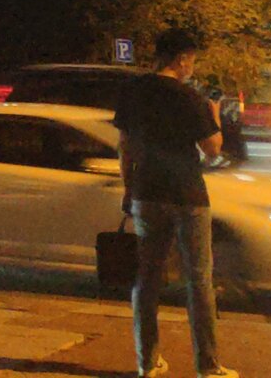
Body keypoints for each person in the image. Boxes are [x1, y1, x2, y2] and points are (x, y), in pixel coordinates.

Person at [113, 27, 235, 378]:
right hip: (187, 195)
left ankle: (148, 362)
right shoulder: (189, 97)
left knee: (147, 278)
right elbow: (212, 149)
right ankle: (208, 367)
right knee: (198, 280)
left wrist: (129, 189)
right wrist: (214, 114)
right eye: (191, 60)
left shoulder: (133, 91)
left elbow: (125, 147)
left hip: (147, 193)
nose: (191, 67)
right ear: (181, 59)